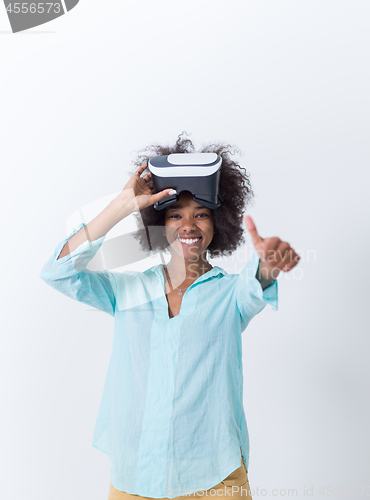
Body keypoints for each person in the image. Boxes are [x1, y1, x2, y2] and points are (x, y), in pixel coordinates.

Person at [40, 134, 300, 500]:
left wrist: (269, 265)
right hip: (134, 479)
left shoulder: (230, 294)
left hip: (214, 479)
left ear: (218, 222)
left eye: (201, 215)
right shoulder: (126, 290)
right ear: (159, 223)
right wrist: (121, 205)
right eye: (175, 215)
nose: (188, 226)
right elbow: (58, 272)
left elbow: (255, 283)